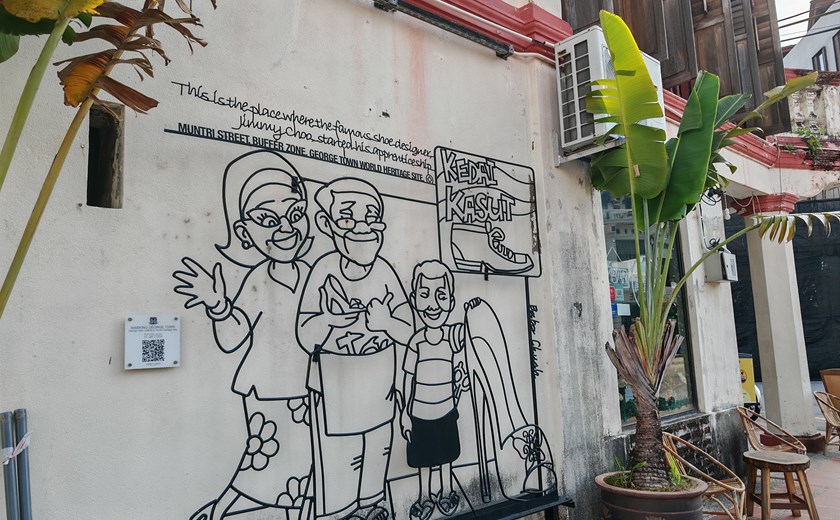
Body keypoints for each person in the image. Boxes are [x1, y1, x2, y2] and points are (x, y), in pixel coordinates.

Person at [173, 150, 314, 520]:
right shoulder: (259, 279)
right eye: (268, 219)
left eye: (295, 214)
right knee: (264, 467)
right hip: (270, 393)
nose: (285, 228)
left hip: (311, 392)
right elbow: (234, 337)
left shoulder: (316, 274)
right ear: (244, 233)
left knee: (304, 477)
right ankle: (221, 511)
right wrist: (217, 305)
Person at [296, 178, 414, 520]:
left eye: (370, 218)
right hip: (334, 396)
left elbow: (408, 331)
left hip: (380, 393)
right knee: (340, 466)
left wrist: (385, 324)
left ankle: (373, 508)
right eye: (347, 219)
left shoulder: (386, 272)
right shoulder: (324, 270)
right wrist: (329, 319)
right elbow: (305, 333)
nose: (361, 229)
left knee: (376, 458)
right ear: (327, 224)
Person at [401, 260, 475, 520]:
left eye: (440, 295)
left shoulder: (450, 342)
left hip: (446, 410)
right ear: (414, 300)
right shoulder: (416, 341)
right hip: (420, 412)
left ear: (451, 301)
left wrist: (460, 385)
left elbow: (456, 373)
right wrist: (404, 413)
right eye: (424, 295)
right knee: (423, 459)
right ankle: (423, 497)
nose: (432, 304)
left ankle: (445, 492)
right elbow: (407, 379)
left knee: (445, 456)